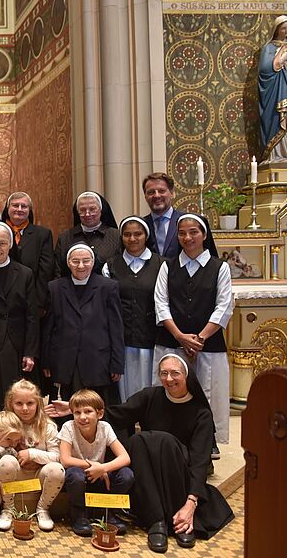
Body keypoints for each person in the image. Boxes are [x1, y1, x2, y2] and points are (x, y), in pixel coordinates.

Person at [47, 355, 234, 553]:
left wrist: (190, 505)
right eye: (163, 373)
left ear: (187, 375)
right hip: (150, 467)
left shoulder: (201, 412)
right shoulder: (150, 396)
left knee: (160, 440)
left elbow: (199, 461)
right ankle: (156, 521)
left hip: (179, 473)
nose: (169, 379)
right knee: (138, 441)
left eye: (175, 373)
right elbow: (117, 413)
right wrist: (73, 407)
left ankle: (181, 517)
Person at [153, 214, 233, 456]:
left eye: (194, 232)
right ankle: (173, 439)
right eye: (182, 233)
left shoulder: (221, 267)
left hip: (208, 344)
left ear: (204, 235)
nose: (188, 237)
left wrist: (199, 339)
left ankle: (208, 441)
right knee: (173, 389)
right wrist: (180, 337)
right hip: (172, 342)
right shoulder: (167, 266)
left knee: (207, 392)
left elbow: (224, 305)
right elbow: (160, 303)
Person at [43, 244, 124, 407]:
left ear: (93, 262)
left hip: (98, 361)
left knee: (94, 409)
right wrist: (46, 360)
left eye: (86, 261)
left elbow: (116, 327)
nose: (81, 266)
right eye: (75, 261)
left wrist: (117, 363)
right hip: (64, 360)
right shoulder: (55, 287)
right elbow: (48, 328)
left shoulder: (108, 287)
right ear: (68, 263)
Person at [0, 222, 39, 423]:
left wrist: (30, 351)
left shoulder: (25, 273)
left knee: (18, 397)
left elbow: (31, 315)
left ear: (11, 245)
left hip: (16, 344)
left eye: (2, 243)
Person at [102, 216, 164, 400]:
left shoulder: (162, 264)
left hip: (152, 338)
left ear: (146, 236)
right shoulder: (110, 265)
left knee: (151, 388)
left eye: (138, 234)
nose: (132, 238)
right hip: (122, 340)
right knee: (124, 392)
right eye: (127, 234)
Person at [59, 389, 134, 536]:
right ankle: (78, 514)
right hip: (80, 476)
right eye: (77, 412)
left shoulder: (105, 427)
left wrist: (103, 469)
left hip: (100, 476)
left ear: (99, 414)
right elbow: (65, 459)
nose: (82, 417)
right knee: (74, 474)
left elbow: (125, 458)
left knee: (127, 474)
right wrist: (94, 467)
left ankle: (109, 513)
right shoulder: (68, 427)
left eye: (88, 411)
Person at [0, 379, 65, 532]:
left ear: (38, 404)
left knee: (57, 469)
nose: (25, 409)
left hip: (39, 476)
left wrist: (32, 454)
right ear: (10, 404)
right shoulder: (5, 423)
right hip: (14, 475)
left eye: (30, 403)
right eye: (19, 404)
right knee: (6, 460)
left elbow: (56, 456)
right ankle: (8, 509)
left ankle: (43, 509)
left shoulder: (48, 427)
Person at [142, 172, 218, 260]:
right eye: (151, 192)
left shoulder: (193, 222)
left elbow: (211, 260)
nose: (157, 195)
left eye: (161, 191)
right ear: (145, 196)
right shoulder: (140, 227)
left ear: (172, 193)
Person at [3, 192, 54, 313]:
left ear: (29, 210)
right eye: (15, 205)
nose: (19, 209)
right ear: (7, 208)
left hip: (30, 301)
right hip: (1, 300)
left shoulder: (42, 235)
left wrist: (39, 304)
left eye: (24, 206)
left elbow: (45, 271)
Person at [55, 191, 120, 276]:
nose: (87, 214)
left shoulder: (116, 236)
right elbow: (58, 271)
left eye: (92, 209)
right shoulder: (65, 238)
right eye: (82, 210)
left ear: (101, 210)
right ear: (77, 212)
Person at [259, 14, 287, 162]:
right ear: (277, 30)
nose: (286, 32)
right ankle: (276, 155)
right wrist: (280, 60)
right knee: (279, 119)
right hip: (276, 91)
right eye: (283, 29)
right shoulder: (269, 48)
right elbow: (264, 70)